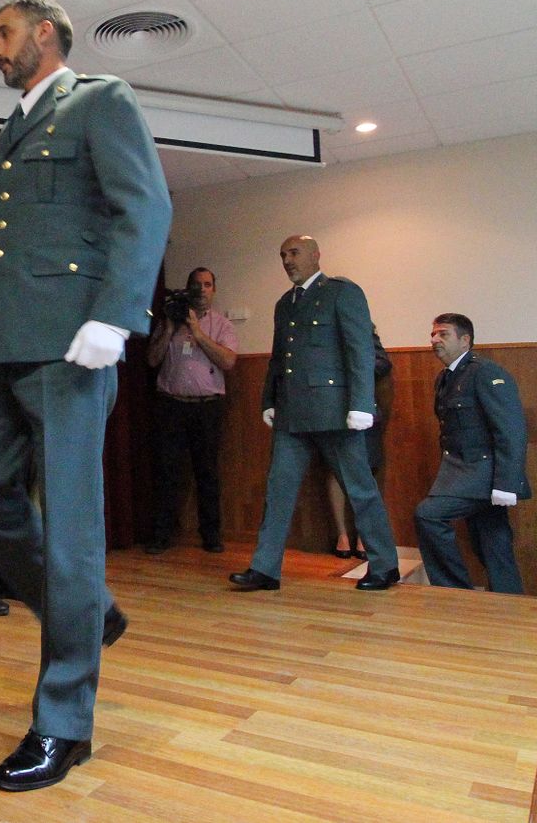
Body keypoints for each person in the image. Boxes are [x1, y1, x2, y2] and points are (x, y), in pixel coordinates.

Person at [0, 0, 170, 792]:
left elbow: (144, 205)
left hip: (73, 346)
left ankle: (63, 722)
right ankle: (90, 611)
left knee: (74, 529)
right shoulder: (14, 126)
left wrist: (115, 317)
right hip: (4, 344)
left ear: (44, 34)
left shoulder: (100, 100)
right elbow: (4, 238)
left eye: (3, 31)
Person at [231, 236, 399, 593]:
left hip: (335, 412)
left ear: (315, 255)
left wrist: (361, 404)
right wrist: (269, 400)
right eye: (282, 255)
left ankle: (384, 566)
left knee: (360, 490)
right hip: (293, 413)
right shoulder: (285, 304)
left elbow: (359, 351)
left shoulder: (341, 292)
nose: (287, 261)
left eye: (294, 253)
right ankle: (265, 569)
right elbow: (279, 358)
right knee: (278, 491)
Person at [412, 313, 530, 593]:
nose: (434, 340)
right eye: (433, 334)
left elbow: (510, 430)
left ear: (465, 340)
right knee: (492, 543)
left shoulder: (485, 372)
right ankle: (512, 606)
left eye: (443, 334)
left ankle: (455, 592)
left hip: (482, 474)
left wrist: (506, 484)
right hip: (462, 473)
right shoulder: (446, 377)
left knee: (428, 515)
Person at [144, 266, 237, 554]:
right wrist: (171, 327)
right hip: (171, 406)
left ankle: (211, 535)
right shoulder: (170, 320)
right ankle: (162, 535)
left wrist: (197, 331)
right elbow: (151, 360)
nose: (201, 290)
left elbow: (228, 361)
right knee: (167, 473)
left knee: (207, 473)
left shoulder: (222, 325)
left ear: (214, 290)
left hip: (206, 408)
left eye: (207, 285)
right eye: (196, 285)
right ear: (187, 289)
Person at [321, 325, 392, 558]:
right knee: (335, 468)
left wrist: (350, 369)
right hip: (331, 407)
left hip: (363, 405)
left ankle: (365, 535)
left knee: (368, 469)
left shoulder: (365, 329)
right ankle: (342, 535)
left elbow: (382, 363)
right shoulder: (323, 330)